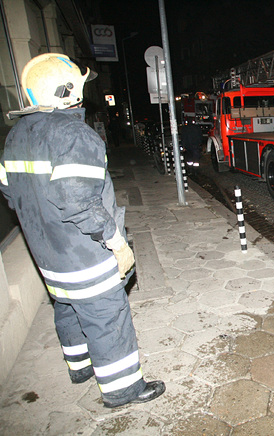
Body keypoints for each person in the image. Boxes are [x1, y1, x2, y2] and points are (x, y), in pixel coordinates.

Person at [0, 53, 165, 407]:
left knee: (67, 306)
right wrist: (116, 242)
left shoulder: (15, 137)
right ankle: (123, 389)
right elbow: (80, 203)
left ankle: (80, 366)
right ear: (68, 90)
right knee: (107, 316)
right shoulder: (75, 135)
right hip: (83, 255)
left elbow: (11, 195)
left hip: (47, 254)